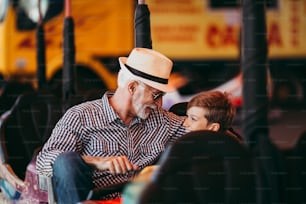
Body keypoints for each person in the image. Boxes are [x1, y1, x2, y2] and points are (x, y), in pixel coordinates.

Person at [36, 47, 186, 204]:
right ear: (132, 87)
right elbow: (44, 161)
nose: (159, 104)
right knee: (66, 161)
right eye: (156, 96)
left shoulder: (161, 120)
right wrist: (96, 162)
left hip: (143, 199)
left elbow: (200, 131)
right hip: (95, 199)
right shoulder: (81, 116)